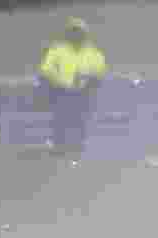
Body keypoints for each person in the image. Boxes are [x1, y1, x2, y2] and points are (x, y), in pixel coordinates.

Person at [37, 17, 108, 155]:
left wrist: (86, 79)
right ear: (68, 33)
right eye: (73, 31)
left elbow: (100, 71)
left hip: (85, 92)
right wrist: (60, 82)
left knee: (80, 119)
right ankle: (59, 145)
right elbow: (45, 70)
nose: (76, 34)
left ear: (85, 33)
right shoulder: (57, 50)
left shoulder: (93, 52)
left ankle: (78, 145)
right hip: (61, 91)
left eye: (79, 31)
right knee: (61, 118)